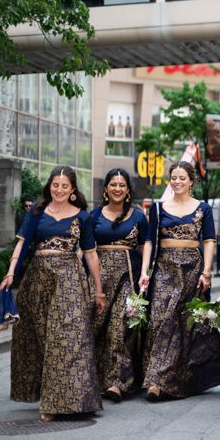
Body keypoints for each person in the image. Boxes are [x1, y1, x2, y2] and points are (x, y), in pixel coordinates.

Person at [0, 166, 105, 421]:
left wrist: (99, 291)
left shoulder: (83, 216)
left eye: (65, 186)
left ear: (72, 190)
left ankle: (65, 401)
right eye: (55, 185)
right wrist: (11, 272)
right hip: (37, 278)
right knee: (42, 337)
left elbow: (90, 253)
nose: (59, 190)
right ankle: (51, 397)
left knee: (65, 337)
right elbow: (22, 242)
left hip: (70, 278)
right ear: (50, 187)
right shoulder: (37, 211)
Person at [138, 161, 220, 401]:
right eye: (174, 177)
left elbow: (210, 240)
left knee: (184, 323)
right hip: (164, 267)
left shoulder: (203, 208)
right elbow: (149, 241)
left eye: (182, 178)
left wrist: (205, 272)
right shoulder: (159, 209)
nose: (177, 182)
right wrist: (144, 272)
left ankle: (166, 379)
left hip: (192, 267)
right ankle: (155, 378)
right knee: (161, 318)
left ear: (191, 181)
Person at [90, 168, 149, 403]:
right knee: (95, 326)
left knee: (120, 327)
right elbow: (84, 248)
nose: (117, 188)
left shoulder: (137, 217)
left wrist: (145, 273)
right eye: (113, 184)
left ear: (128, 190)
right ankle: (93, 378)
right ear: (105, 189)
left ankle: (117, 381)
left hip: (128, 275)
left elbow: (145, 246)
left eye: (122, 185)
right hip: (98, 277)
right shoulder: (93, 216)